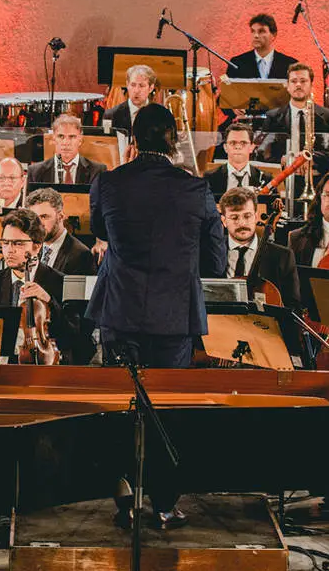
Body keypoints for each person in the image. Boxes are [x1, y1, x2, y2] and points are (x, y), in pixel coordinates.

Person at [88, 104, 226, 528]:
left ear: (133, 140)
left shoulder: (108, 183)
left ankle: (125, 498)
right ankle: (165, 504)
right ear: (172, 141)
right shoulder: (195, 190)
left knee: (121, 407)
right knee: (166, 411)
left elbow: (98, 231)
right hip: (173, 320)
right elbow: (217, 262)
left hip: (119, 311)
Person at [0, 208, 68, 362]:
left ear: (37, 246)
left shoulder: (58, 281)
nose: (9, 250)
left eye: (18, 243)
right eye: (5, 243)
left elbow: (73, 333)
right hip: (2, 364)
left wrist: (49, 300)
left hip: (46, 363)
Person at [217, 187, 299, 311]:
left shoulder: (282, 256)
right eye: (234, 218)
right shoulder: (210, 252)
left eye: (247, 216)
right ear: (224, 221)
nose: (242, 223)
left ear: (255, 217)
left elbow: (294, 308)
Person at [26, 188, 95, 275]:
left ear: (61, 216)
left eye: (44, 217)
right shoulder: (31, 249)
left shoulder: (81, 255)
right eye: (34, 218)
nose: (38, 224)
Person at [27, 114, 106, 185]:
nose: (66, 142)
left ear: (80, 140)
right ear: (53, 139)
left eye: (72, 137)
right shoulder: (35, 172)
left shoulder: (97, 171)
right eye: (61, 136)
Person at [204, 122, 269, 198]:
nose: (238, 147)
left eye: (243, 143)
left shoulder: (265, 179)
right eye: (233, 143)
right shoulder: (210, 178)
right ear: (225, 147)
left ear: (251, 147)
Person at [228, 14, 298, 80]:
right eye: (253, 31)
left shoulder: (291, 65)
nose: (256, 35)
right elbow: (228, 91)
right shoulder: (237, 63)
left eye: (261, 31)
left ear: (273, 35)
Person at [103, 64, 157, 134]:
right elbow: (106, 142)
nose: (136, 91)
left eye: (141, 86)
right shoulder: (110, 115)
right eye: (133, 85)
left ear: (151, 88)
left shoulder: (161, 115)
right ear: (127, 85)